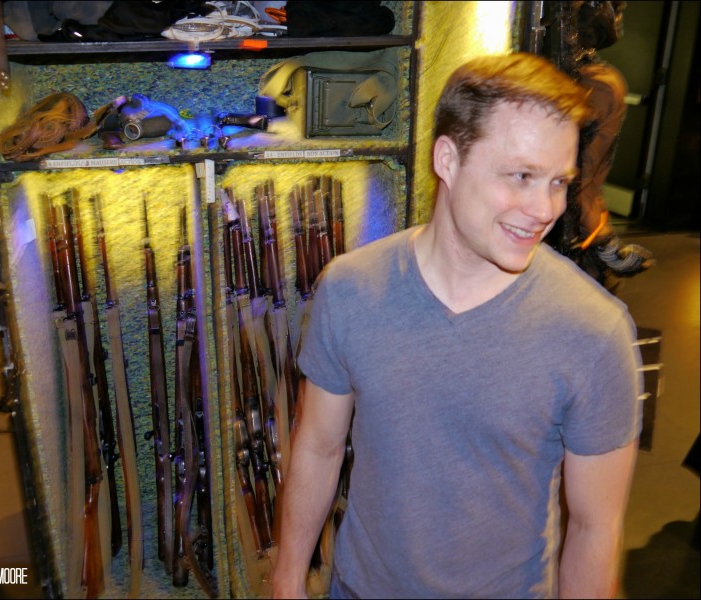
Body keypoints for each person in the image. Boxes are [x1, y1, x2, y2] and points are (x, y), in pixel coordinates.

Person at [271, 53, 642, 599]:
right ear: (448, 158)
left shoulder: (594, 330)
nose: (546, 208)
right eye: (521, 176)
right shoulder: (350, 289)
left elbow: (595, 527)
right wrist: (286, 576)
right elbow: (319, 447)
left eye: (559, 182)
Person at [549, 1, 653, 288]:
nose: (619, 15)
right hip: (569, 240)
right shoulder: (600, 84)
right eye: (616, 8)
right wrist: (603, 239)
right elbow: (579, 177)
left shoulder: (552, 72)